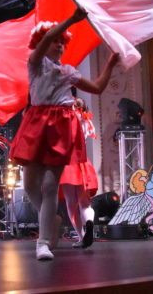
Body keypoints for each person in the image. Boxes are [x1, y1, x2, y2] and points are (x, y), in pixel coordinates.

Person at [10, 8, 119, 260]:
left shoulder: (68, 71)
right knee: (30, 185)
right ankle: (53, 219)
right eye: (55, 41)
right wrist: (71, 19)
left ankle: (43, 243)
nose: (59, 45)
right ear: (42, 43)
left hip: (61, 124)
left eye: (62, 42)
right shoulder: (35, 63)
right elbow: (47, 37)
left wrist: (111, 64)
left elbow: (97, 87)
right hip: (37, 122)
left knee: (50, 186)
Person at [59, 96, 99, 249]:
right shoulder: (86, 121)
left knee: (71, 203)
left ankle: (81, 237)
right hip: (83, 162)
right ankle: (89, 222)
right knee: (85, 203)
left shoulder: (66, 119)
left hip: (68, 164)